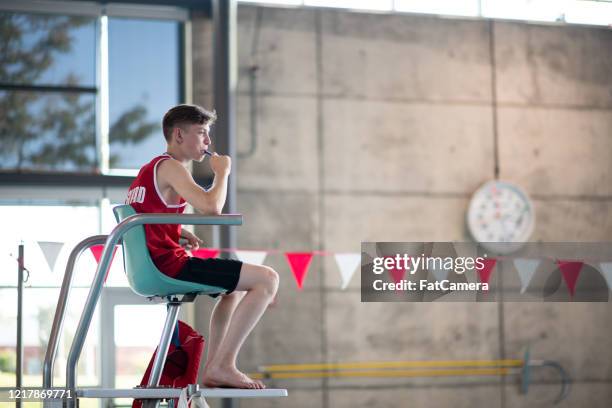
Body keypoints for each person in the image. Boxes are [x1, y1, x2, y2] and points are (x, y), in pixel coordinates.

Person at [125, 104, 279, 389]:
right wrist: (223, 173)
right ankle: (222, 365)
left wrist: (177, 230)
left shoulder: (149, 171)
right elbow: (211, 207)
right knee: (268, 279)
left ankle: (217, 367)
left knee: (230, 292)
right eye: (202, 133)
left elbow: (142, 216)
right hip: (168, 265)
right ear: (179, 135)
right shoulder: (170, 166)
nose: (208, 142)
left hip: (153, 265)